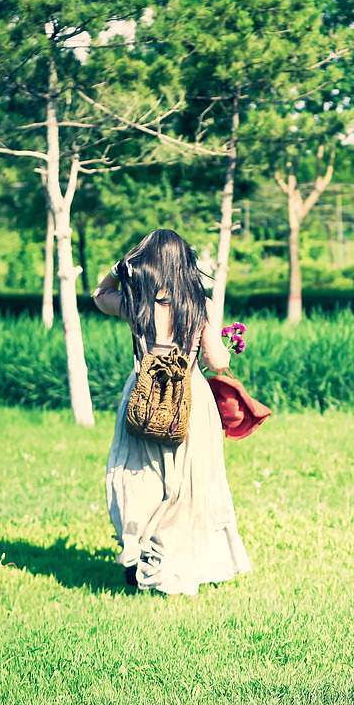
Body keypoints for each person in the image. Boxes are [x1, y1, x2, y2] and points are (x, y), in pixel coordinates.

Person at [91, 228, 251, 595]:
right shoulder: (201, 305)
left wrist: (120, 267)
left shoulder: (137, 303)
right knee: (187, 486)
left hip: (144, 398)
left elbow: (100, 295)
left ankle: (137, 549)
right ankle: (170, 564)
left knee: (139, 476)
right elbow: (215, 360)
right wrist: (224, 345)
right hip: (189, 401)